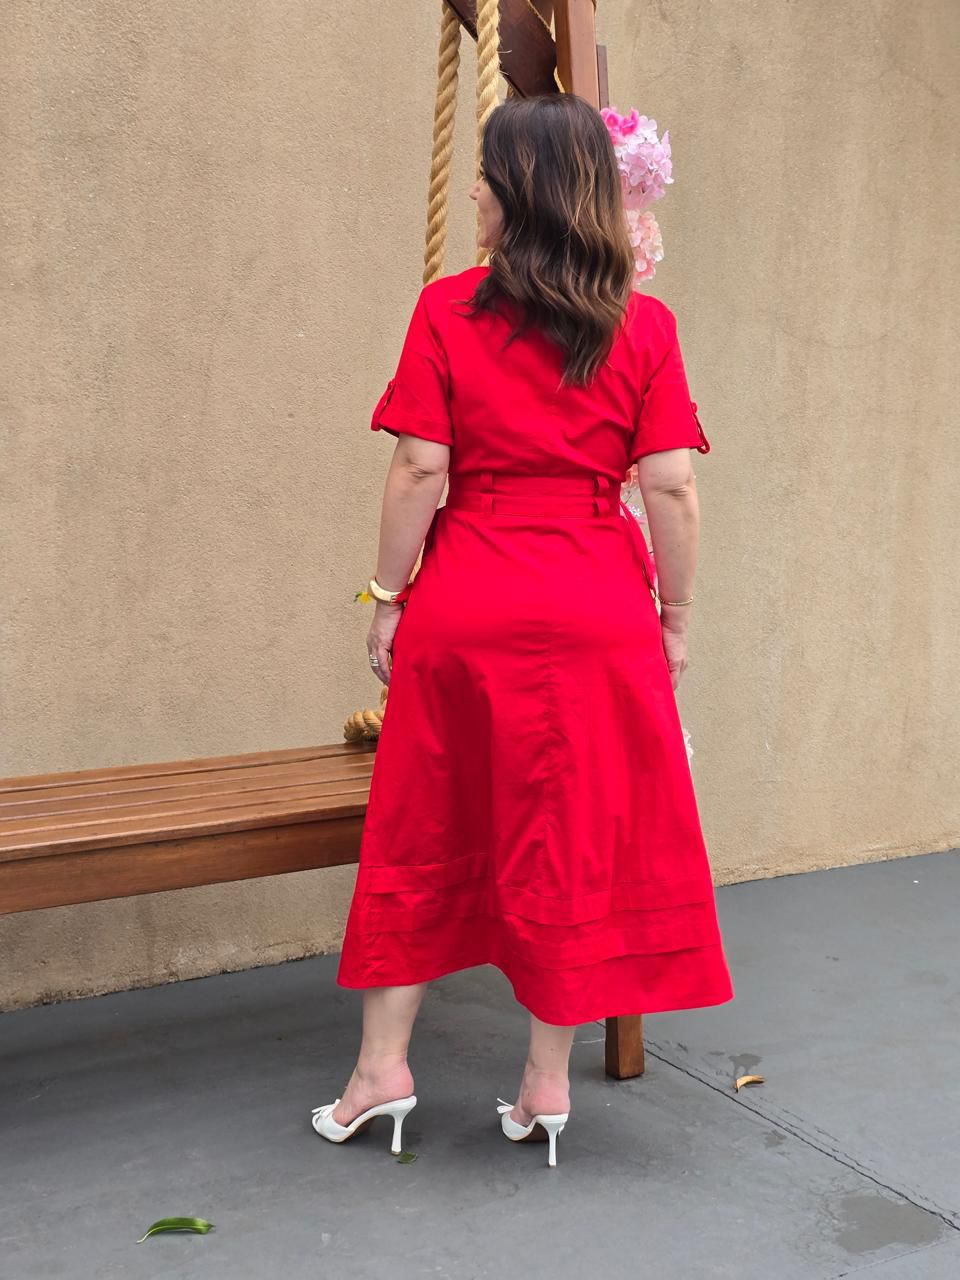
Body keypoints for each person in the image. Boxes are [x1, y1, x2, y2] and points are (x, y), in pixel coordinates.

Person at [311, 94, 734, 1168]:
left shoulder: (448, 310)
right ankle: (547, 1083)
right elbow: (671, 486)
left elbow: (420, 465)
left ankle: (381, 1071)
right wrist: (676, 615)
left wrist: (387, 595)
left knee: (423, 820)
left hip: (471, 595)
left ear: (524, 192)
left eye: (487, 177)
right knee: (571, 832)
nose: (473, 192)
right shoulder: (645, 325)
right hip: (598, 603)